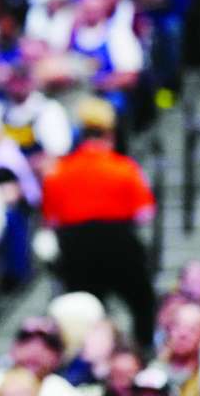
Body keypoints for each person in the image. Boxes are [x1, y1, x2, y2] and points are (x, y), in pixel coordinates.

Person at [41, 103, 157, 348]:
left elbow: (50, 219)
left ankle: (83, 359)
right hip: (119, 244)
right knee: (142, 302)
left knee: (84, 311)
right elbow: (145, 213)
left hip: (75, 249)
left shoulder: (59, 171)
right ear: (110, 135)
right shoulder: (124, 168)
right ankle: (144, 349)